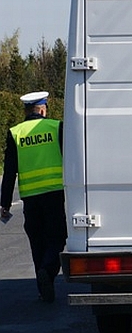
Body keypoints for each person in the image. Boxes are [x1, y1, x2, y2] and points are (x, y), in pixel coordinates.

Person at [0, 91, 67, 303]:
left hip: (30, 197)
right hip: (55, 195)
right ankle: (48, 270)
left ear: (26, 110)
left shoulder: (15, 132)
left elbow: (9, 171)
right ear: (42, 109)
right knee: (56, 238)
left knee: (37, 242)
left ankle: (43, 289)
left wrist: (4, 203)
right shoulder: (56, 127)